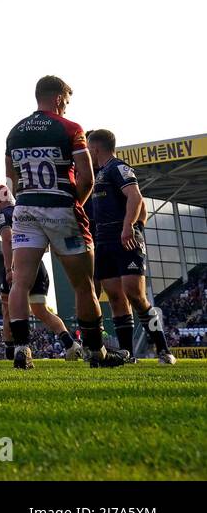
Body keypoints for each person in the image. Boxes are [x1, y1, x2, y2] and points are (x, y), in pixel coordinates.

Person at [5, 75, 125, 369]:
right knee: (84, 285)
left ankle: (22, 348)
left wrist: (27, 199)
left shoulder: (15, 132)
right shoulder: (71, 129)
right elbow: (87, 176)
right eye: (66, 102)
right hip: (62, 208)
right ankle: (96, 353)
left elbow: (10, 180)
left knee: (20, 282)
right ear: (58, 98)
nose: (67, 108)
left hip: (26, 209)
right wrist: (76, 204)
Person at [85, 130, 175, 364]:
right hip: (103, 242)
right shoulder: (97, 174)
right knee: (115, 296)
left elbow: (136, 199)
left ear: (95, 148)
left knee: (134, 294)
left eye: (87, 148)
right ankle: (127, 354)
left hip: (124, 240)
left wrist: (131, 228)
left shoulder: (117, 168)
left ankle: (164, 350)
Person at [0, 184, 80, 361]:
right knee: (41, 310)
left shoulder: (2, 215)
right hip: (38, 264)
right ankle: (71, 344)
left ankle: (14, 352)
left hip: (20, 263)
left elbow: (7, 239)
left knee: (8, 308)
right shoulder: (25, 210)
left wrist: (9, 268)